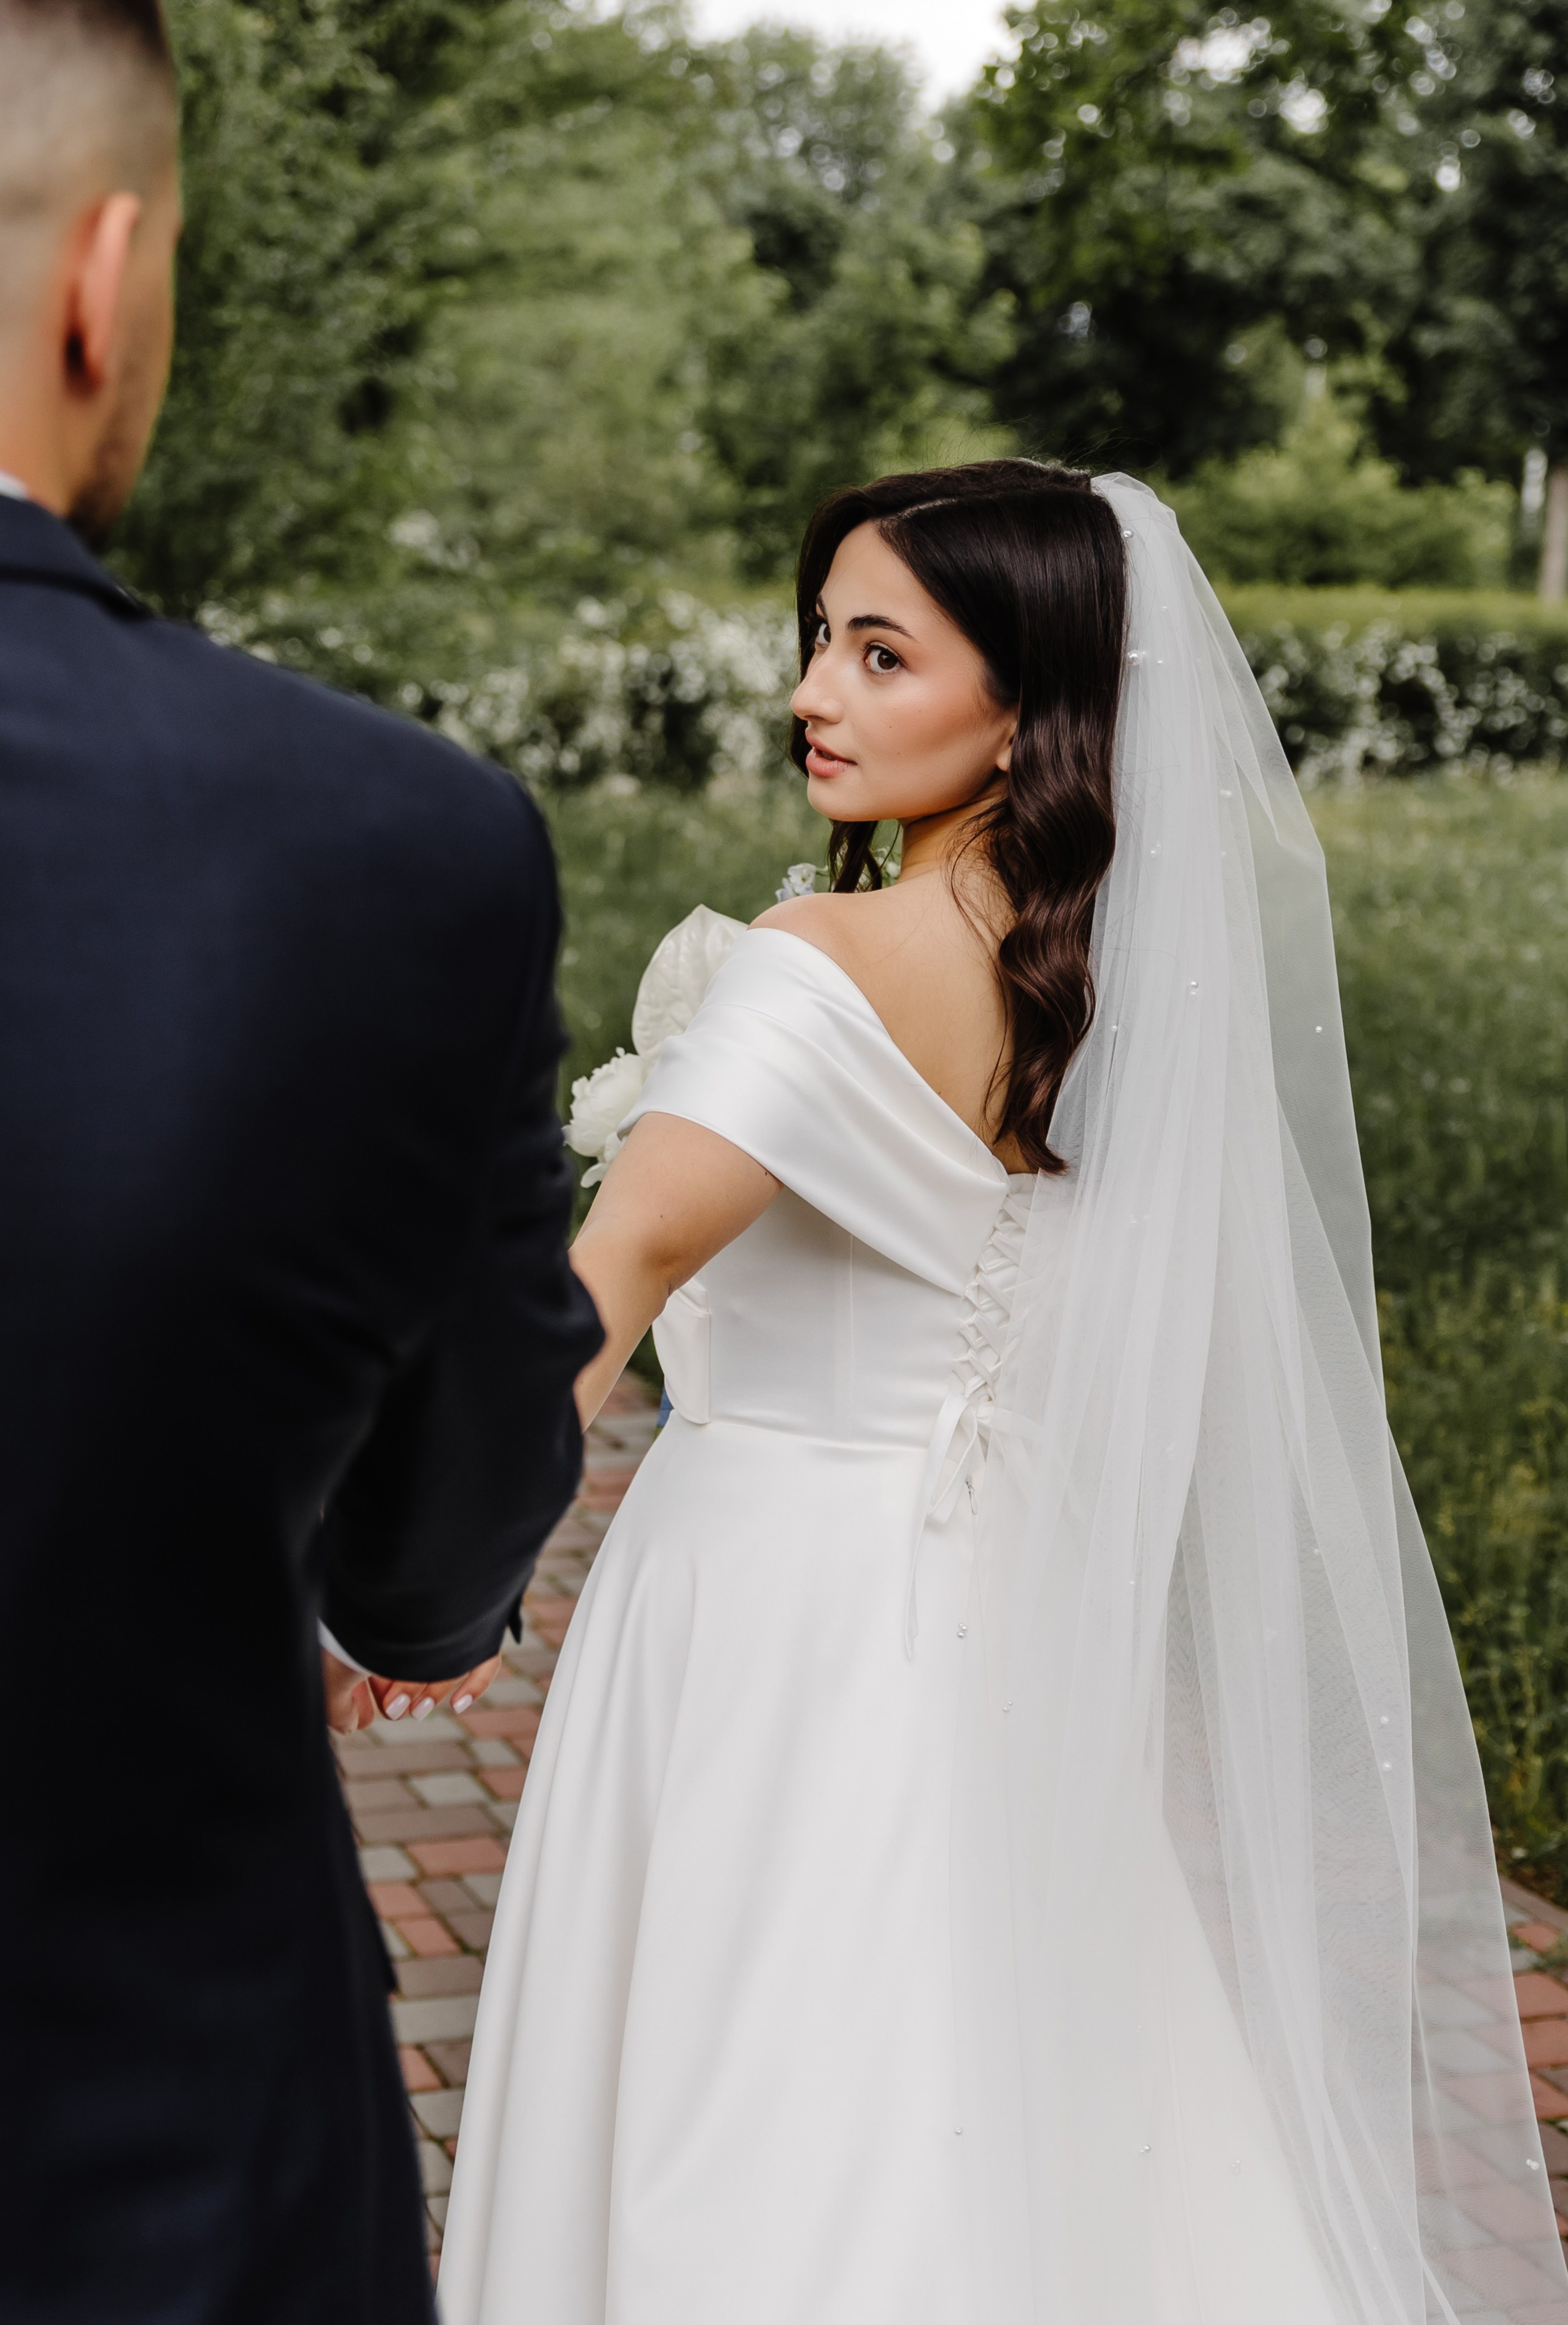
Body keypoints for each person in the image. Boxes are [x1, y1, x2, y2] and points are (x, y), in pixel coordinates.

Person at [441, 462, 1567, 2325]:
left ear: (1026, 708)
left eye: (883, 654)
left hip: (770, 1607)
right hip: (1001, 1618)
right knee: (1000, 2072)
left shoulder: (816, 966)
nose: (815, 689)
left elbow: (608, 1281)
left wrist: (439, 1577)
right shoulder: (1113, 992)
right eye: (822, 637)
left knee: (754, 2089)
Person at [0, 3, 602, 2319]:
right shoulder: (386, 850)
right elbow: (458, 1499)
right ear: (107, 276)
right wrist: (412, 1619)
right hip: (145, 2180)